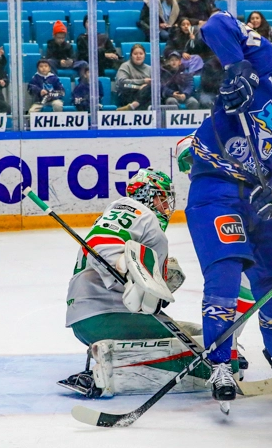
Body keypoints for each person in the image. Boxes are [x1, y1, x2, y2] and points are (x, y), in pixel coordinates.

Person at [183, 14, 272, 407]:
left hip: (259, 197)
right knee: (225, 271)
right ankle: (221, 362)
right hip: (216, 188)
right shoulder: (264, 65)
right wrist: (236, 65)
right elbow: (215, 24)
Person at [57, 170, 206, 398]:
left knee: (196, 332)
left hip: (98, 317)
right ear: (146, 195)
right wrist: (124, 265)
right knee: (204, 359)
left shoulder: (140, 220)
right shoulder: (135, 210)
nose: (166, 205)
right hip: (106, 316)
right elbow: (99, 242)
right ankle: (113, 370)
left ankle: (112, 360)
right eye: (161, 197)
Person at [114, 44, 152, 109]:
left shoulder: (150, 69)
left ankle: (133, 106)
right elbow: (122, 82)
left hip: (145, 96)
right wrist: (142, 83)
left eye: (141, 54)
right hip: (128, 94)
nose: (138, 56)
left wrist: (145, 88)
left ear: (145, 55)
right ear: (131, 55)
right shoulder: (125, 66)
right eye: (135, 54)